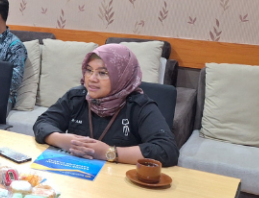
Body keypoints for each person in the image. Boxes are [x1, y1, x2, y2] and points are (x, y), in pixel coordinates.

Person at [33, 44, 179, 166]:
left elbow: (167, 150)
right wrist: (64, 141)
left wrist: (110, 153)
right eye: (89, 71)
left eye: (102, 73)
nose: (92, 79)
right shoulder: (77, 97)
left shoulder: (139, 106)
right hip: (78, 179)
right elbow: (43, 123)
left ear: (121, 77)